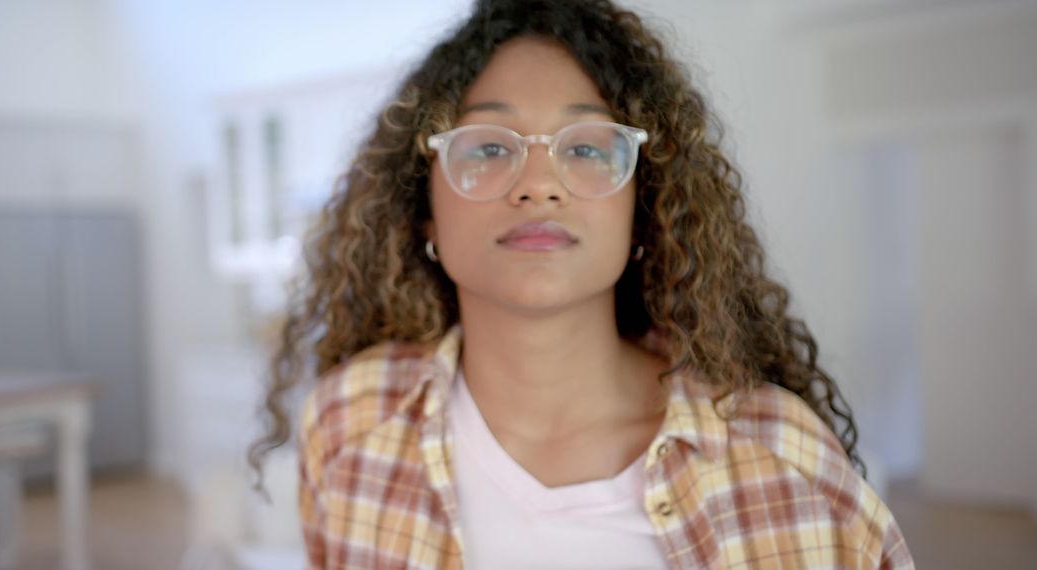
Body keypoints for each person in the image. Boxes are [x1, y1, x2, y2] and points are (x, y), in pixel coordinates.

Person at [248, 0, 915, 568]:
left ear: (642, 205)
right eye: (487, 146)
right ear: (425, 207)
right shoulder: (349, 419)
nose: (539, 185)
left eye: (587, 148)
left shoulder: (779, 456)